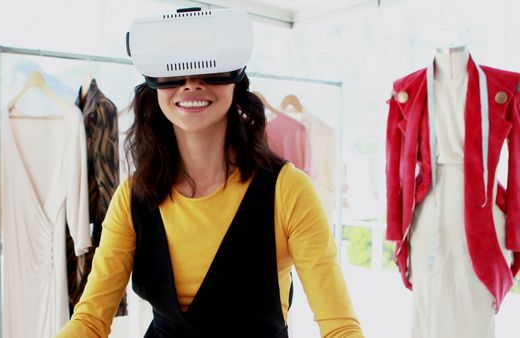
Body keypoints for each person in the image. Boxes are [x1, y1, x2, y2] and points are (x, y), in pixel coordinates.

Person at [55, 7, 363, 338]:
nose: (191, 84)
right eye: (175, 72)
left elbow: (339, 326)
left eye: (209, 69)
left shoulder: (287, 191)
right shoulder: (133, 197)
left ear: (237, 79)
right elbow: (89, 321)